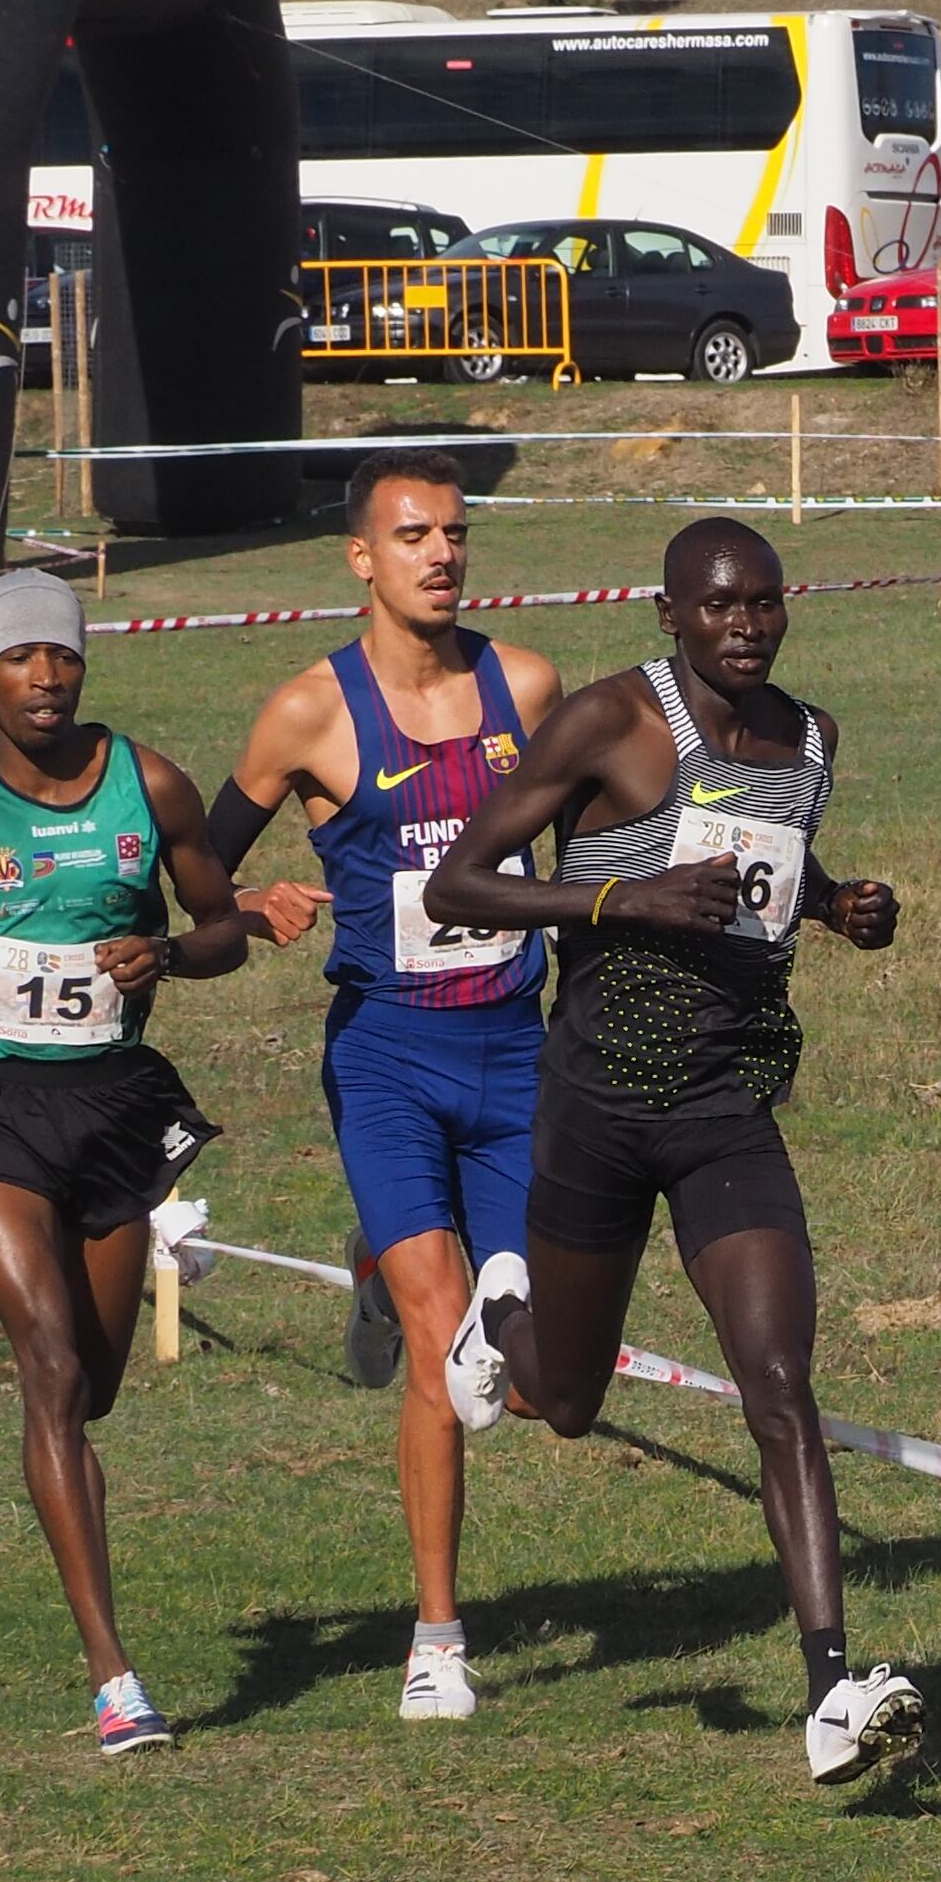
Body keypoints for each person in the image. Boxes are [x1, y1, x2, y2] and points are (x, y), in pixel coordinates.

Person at [423, 517, 919, 1787]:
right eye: (720, 608)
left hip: (724, 1108)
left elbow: (765, 875)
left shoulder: (810, 744)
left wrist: (838, 902)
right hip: (593, 1107)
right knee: (572, 1406)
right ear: (670, 615)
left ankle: (828, 1692)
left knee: (781, 1384)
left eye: (766, 604)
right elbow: (460, 888)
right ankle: (502, 1324)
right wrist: (613, 899)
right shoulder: (608, 724)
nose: (747, 626)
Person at [0, 568, 249, 1754]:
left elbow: (222, 929)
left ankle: (65, 1435)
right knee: (51, 1363)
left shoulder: (150, 783)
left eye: (61, 657)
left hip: (114, 1105)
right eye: (19, 658)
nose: (45, 677)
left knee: (96, 1386)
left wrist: (166, 956)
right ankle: (115, 1678)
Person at [213, 457, 566, 1724]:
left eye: (456, 535)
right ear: (360, 558)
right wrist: (255, 904)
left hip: (518, 1054)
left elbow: (581, 858)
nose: (441, 555)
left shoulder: (526, 687)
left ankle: (372, 1263)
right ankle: (438, 1636)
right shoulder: (310, 714)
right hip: (389, 1057)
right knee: (441, 1348)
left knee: (528, 1380)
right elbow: (201, 868)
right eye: (412, 535)